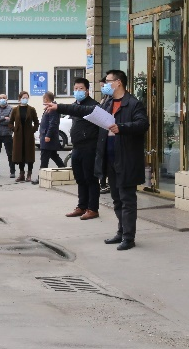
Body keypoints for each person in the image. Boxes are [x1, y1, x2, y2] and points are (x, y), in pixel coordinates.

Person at [46, 70, 149, 250]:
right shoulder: (108, 103)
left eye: (108, 82)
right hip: (109, 158)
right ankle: (121, 232)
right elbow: (83, 110)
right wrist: (58, 107)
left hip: (126, 159)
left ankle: (129, 237)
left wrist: (122, 127)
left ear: (118, 82)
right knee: (116, 199)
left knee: (127, 199)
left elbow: (142, 124)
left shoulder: (133, 104)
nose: (105, 86)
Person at [61, 78, 101, 220]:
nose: (78, 91)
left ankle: (93, 208)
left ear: (87, 91)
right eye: (76, 89)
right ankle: (81, 206)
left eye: (81, 89)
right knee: (80, 178)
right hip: (76, 147)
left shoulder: (94, 106)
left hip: (89, 147)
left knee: (90, 179)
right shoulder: (74, 106)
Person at [32, 91, 65, 184]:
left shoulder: (52, 108)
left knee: (44, 158)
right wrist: (42, 133)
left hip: (49, 138)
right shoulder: (49, 107)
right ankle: (64, 168)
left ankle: (41, 177)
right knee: (54, 156)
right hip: (46, 136)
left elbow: (53, 123)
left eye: (44, 99)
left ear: (46, 99)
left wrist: (48, 135)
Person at [9, 91, 39, 182]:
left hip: (28, 135)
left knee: (29, 154)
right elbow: (10, 122)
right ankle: (21, 174)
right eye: (23, 98)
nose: (25, 99)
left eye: (26, 98)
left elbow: (36, 122)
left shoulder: (31, 109)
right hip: (18, 136)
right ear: (19, 99)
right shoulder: (15, 110)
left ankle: (29, 174)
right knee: (19, 154)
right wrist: (15, 129)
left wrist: (32, 130)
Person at [98, 76, 111, 194]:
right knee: (102, 161)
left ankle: (106, 183)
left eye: (103, 86)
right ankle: (102, 183)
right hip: (102, 134)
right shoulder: (105, 98)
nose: (102, 88)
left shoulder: (111, 99)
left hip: (109, 134)